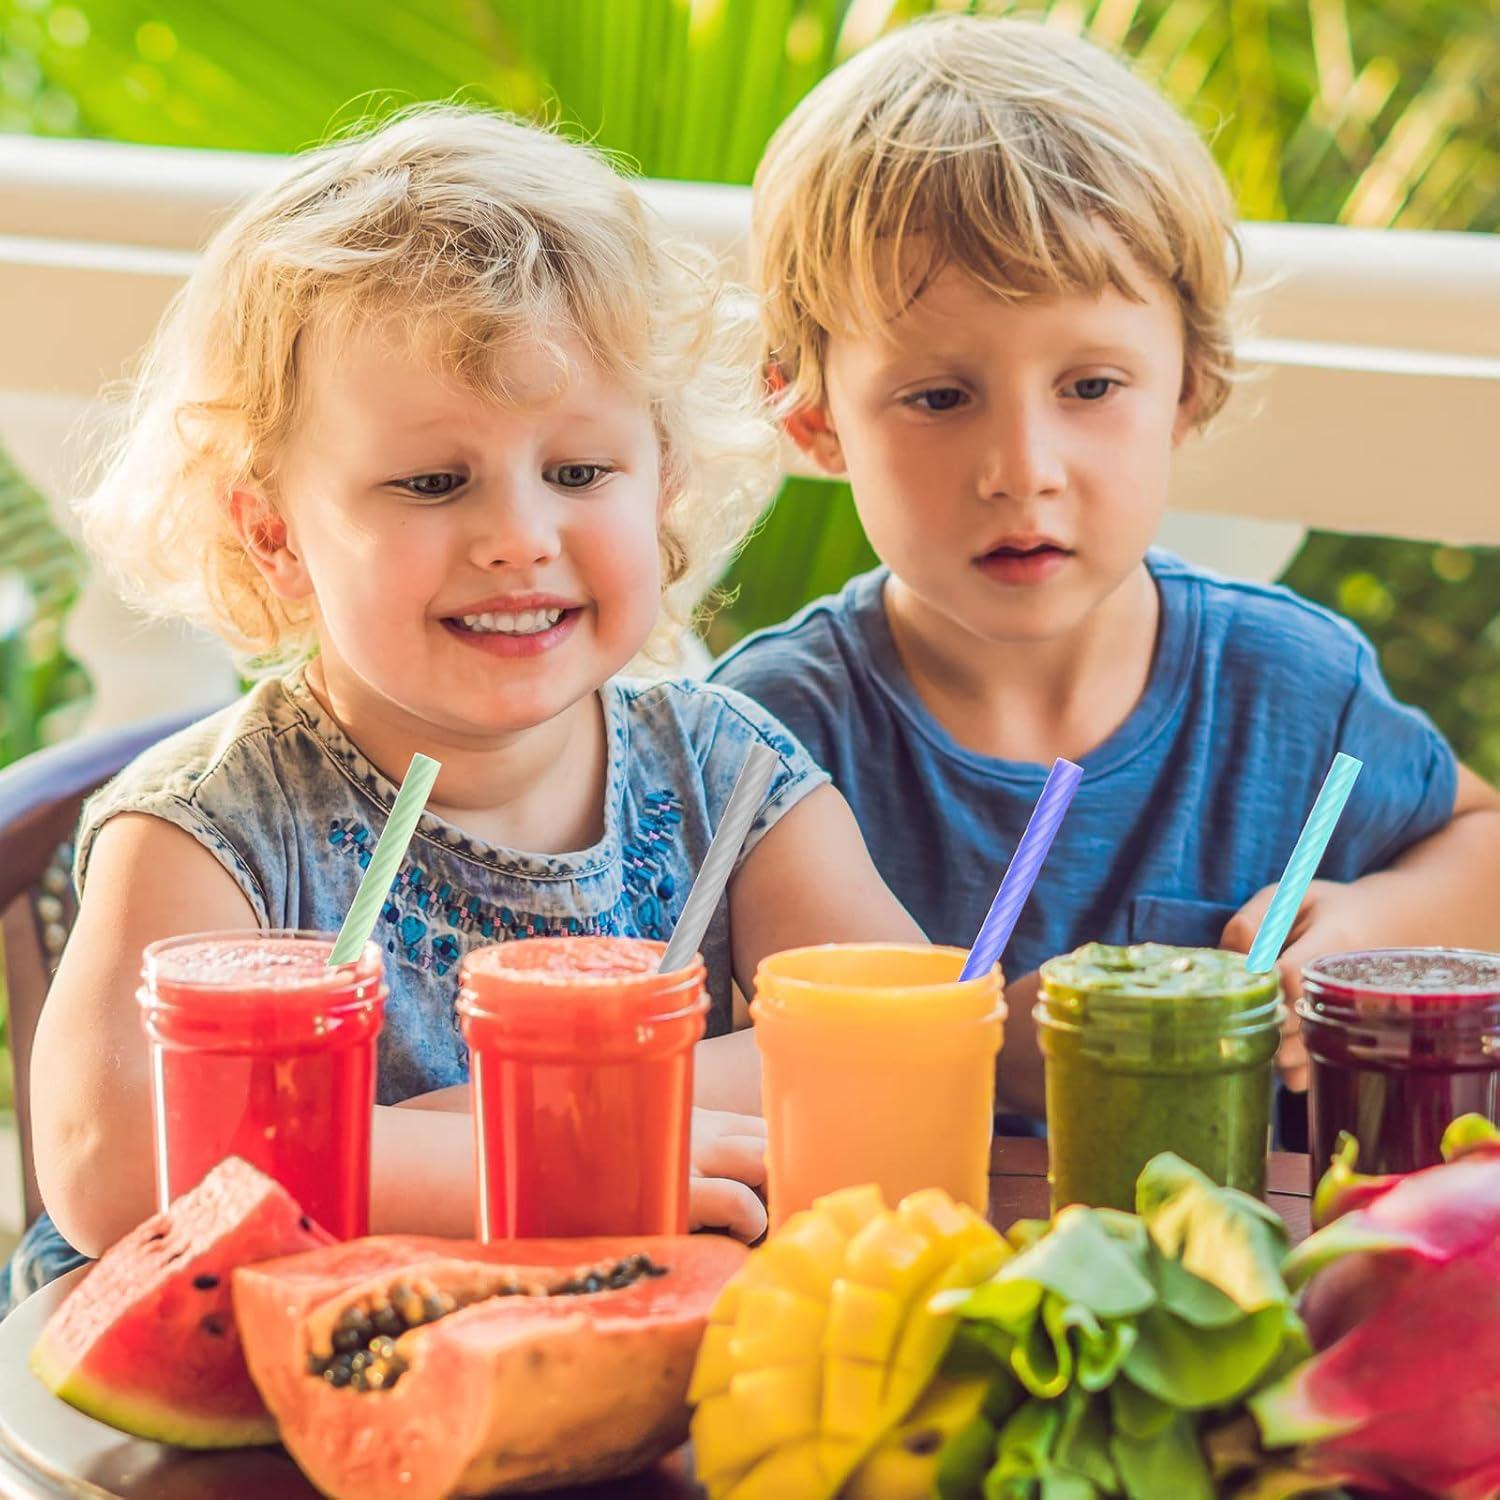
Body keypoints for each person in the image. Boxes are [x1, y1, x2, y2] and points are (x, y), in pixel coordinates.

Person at [14, 104, 921, 1307]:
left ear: (662, 485)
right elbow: (114, 1162)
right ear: (274, 533)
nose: (519, 537)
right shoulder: (211, 828)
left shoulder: (729, 771)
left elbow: (896, 1051)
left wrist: (442, 1126)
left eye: (580, 472)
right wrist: (563, 1159)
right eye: (435, 482)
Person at [712, 15, 1500, 1122]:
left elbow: (1480, 844)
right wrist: (962, 1049)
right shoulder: (762, 740)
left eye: (1089, 388)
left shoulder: (1292, 687)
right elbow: (705, 1060)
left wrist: (1370, 929)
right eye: (940, 397)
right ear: (812, 418)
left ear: (1189, 385)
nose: (1022, 471)